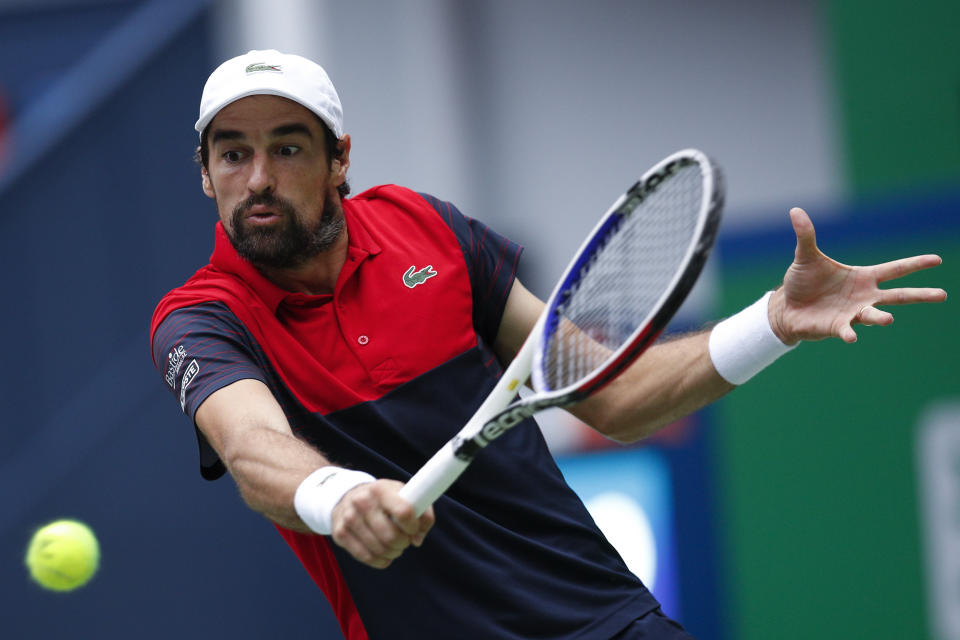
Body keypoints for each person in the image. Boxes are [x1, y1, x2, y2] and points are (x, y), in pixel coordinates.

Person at [150, 50, 947, 639]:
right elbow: (253, 447)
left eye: (286, 148)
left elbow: (612, 395)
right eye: (233, 154)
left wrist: (771, 320)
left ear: (339, 161)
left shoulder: (426, 229)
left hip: (604, 620)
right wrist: (337, 496)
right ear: (205, 171)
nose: (257, 177)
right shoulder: (201, 319)